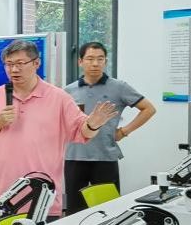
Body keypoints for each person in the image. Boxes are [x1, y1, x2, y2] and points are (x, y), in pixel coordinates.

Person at [0, 40, 117, 217]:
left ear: (36, 63)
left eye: (20, 63)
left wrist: (93, 124)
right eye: (9, 64)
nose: (14, 70)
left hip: (41, 198)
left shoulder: (59, 97)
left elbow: (82, 132)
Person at [64, 42, 157, 212]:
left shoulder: (119, 87)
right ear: (80, 62)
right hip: (74, 156)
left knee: (109, 209)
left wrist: (124, 131)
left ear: (105, 62)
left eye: (100, 59)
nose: (95, 63)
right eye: (90, 59)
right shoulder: (68, 91)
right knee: (74, 210)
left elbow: (149, 109)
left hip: (105, 157)